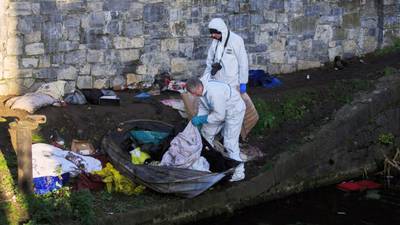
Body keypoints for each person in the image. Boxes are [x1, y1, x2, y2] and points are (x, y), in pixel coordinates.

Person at [185, 77, 246, 182]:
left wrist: (203, 119)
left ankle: (239, 173)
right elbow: (204, 107)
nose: (194, 96)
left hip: (234, 111)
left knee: (230, 143)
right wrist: (200, 119)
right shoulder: (201, 90)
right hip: (218, 111)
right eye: (192, 94)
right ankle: (211, 160)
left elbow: (220, 116)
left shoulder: (214, 92)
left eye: (194, 93)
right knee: (205, 133)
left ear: (199, 87)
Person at [202, 18, 249, 94]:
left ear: (221, 30)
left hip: (232, 82)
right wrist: (204, 79)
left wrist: (243, 82)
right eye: (212, 33)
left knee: (232, 103)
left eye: (215, 33)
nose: (213, 35)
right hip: (217, 81)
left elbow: (243, 62)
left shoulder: (236, 40)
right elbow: (209, 61)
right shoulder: (215, 41)